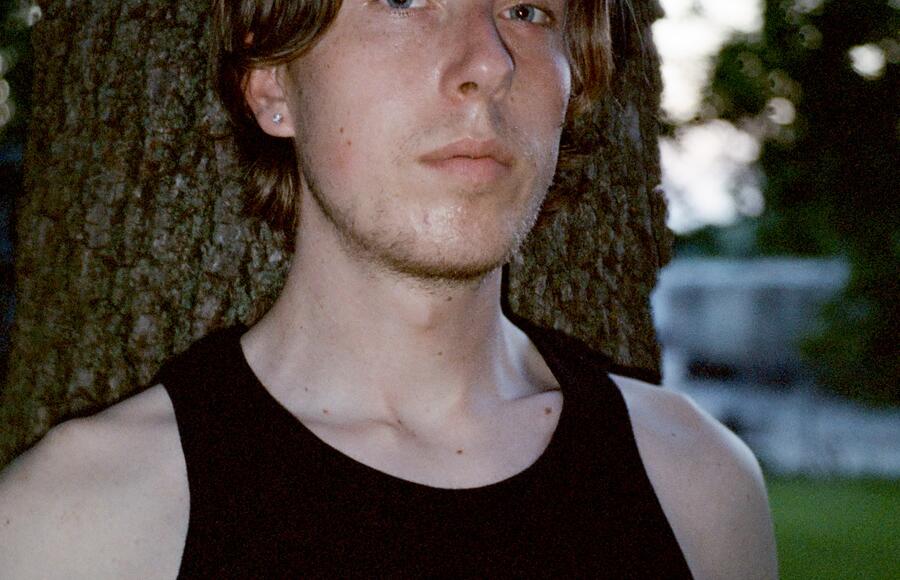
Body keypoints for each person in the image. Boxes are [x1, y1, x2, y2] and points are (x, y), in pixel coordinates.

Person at [0, 0, 778, 577]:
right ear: (271, 82)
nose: (489, 63)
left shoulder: (697, 485)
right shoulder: (83, 524)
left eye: (528, 10)